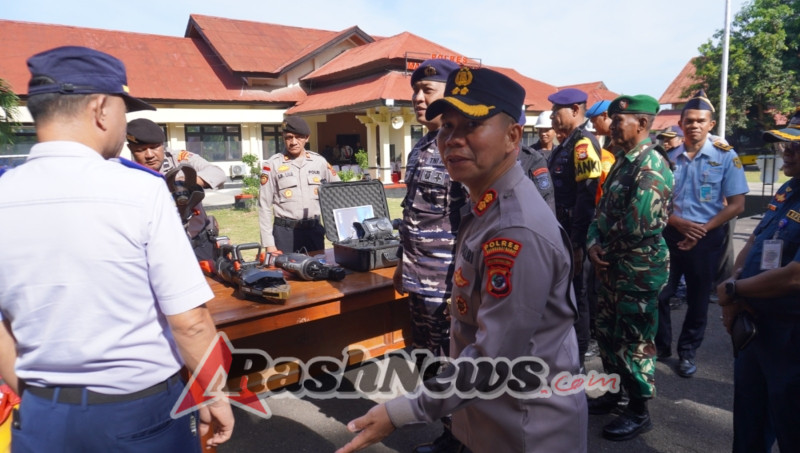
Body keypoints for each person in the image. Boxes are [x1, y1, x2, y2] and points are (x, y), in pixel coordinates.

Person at [338, 66, 586, 453]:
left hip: (525, 430)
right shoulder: (485, 206)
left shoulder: (514, 230)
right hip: (492, 419)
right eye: (447, 126)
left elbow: (491, 359)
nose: (452, 139)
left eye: (471, 124)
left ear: (512, 136)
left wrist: (401, 412)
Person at [0, 45, 233, 452]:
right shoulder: (139, 190)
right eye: (124, 109)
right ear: (101, 109)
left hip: (41, 417)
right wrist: (214, 393)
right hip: (139, 414)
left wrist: (43, 398)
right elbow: (190, 321)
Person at [586, 94, 673, 441]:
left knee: (635, 341)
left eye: (617, 120)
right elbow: (602, 212)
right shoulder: (623, 161)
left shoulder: (651, 165)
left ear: (642, 124)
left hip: (637, 270)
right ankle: (613, 392)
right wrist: (593, 244)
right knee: (607, 334)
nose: (611, 125)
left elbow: (640, 224)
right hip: (612, 267)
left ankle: (638, 410)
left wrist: (602, 249)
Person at [716, 110, 800, 452]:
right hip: (757, 325)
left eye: (796, 146)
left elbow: (796, 276)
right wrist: (736, 281)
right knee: (750, 421)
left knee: (792, 425)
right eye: (786, 143)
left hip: (791, 335)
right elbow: (755, 241)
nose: (786, 151)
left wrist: (733, 290)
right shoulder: (788, 188)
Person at [393, 58, 465, 453]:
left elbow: (472, 222)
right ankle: (448, 432)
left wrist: (462, 285)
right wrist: (402, 264)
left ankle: (461, 439)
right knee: (428, 359)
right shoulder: (421, 146)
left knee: (453, 362)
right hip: (418, 274)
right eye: (415, 92)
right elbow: (412, 213)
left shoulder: (461, 146)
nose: (419, 99)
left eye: (428, 91)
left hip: (447, 278)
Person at [654, 89, 749, 378]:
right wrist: (677, 223)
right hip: (671, 233)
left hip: (706, 239)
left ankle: (687, 352)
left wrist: (701, 229)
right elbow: (657, 200)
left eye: (700, 121)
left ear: (710, 124)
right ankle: (662, 346)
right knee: (660, 293)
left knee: (697, 299)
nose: (694, 125)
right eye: (689, 120)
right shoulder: (668, 157)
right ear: (680, 124)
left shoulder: (726, 157)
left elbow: (737, 204)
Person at [548, 88, 603, 368]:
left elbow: (587, 195)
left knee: (577, 298)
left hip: (573, 233)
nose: (552, 116)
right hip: (561, 231)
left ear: (575, 110)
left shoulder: (583, 144)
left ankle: (577, 363)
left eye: (556, 110)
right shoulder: (566, 144)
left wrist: (578, 242)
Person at [126, 117, 226, 261]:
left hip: (200, 245)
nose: (149, 155)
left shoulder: (179, 159)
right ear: (131, 149)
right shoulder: (128, 175)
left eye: (154, 147)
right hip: (162, 252)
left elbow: (218, 173)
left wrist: (188, 182)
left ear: (162, 145)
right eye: (140, 150)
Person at [258, 116, 339, 253]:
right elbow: (264, 205)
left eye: (299, 137)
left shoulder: (319, 162)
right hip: (285, 233)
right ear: (283, 138)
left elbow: (338, 192)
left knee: (316, 271)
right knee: (286, 273)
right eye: (289, 137)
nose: (293, 142)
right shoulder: (272, 165)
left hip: (314, 231)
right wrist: (268, 243)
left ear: (307, 137)